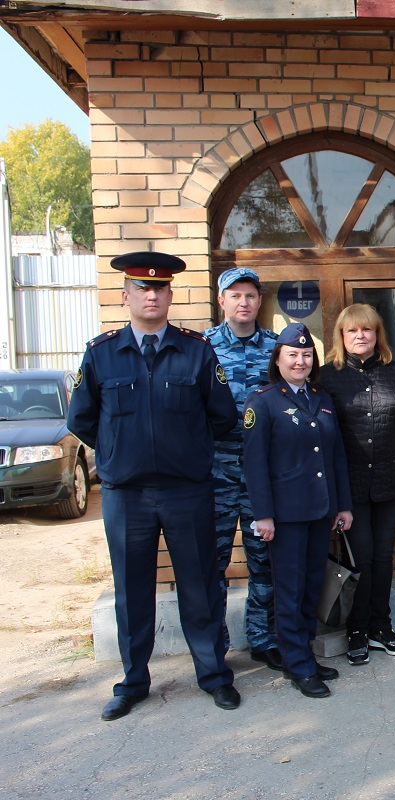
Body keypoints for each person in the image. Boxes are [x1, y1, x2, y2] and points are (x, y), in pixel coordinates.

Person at [66, 251, 240, 720]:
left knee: (199, 586)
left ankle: (213, 676)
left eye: (159, 287)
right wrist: (121, 452)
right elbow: (80, 420)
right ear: (125, 296)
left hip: (187, 491)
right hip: (127, 495)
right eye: (142, 288)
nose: (151, 294)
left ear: (169, 295)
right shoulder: (101, 353)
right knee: (132, 588)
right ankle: (132, 682)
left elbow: (222, 416)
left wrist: (188, 451)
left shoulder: (196, 351)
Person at [242, 322, 353, 699]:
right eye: (292, 354)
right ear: (278, 359)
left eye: (306, 354)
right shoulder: (263, 400)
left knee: (309, 588)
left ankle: (303, 653)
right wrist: (263, 515)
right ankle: (297, 666)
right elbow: (254, 464)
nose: (300, 360)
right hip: (285, 515)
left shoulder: (321, 398)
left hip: (319, 510)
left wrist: (343, 505)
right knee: (288, 592)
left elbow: (335, 455)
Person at [321, 303, 395, 665]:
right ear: (341, 337)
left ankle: (382, 627)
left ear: (378, 335)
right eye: (352, 331)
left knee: (383, 557)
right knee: (360, 559)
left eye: (367, 330)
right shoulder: (326, 378)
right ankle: (357, 631)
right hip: (349, 488)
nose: (360, 336)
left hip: (391, 484)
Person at [205, 267, 281, 671]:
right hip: (214, 473)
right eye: (235, 295)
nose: (244, 302)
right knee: (212, 563)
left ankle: (263, 639)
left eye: (250, 295)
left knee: (263, 561)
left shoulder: (275, 347)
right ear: (221, 301)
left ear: (259, 301)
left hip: (260, 475)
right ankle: (213, 646)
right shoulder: (201, 347)